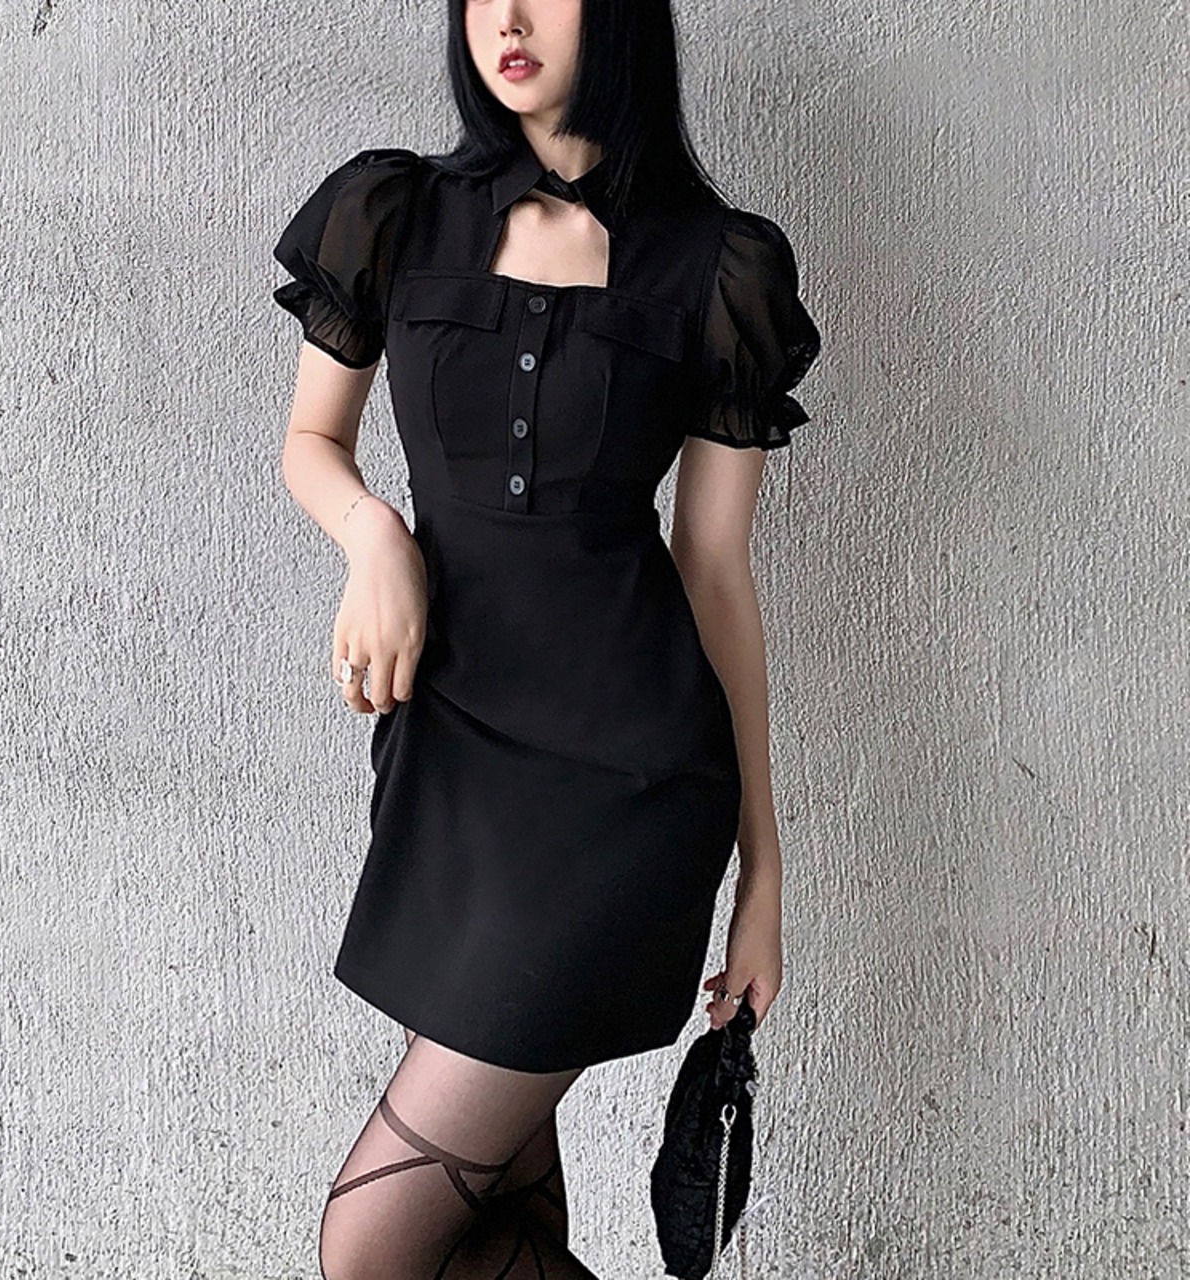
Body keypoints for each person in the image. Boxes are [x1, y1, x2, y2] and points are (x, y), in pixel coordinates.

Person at [270, 0, 822, 1274]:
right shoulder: (394, 212)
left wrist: (763, 872)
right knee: (501, 1225)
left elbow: (714, 570)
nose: (506, 19)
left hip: (624, 786)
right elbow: (310, 441)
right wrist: (374, 537)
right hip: (448, 768)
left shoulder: (716, 264)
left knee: (369, 1245)